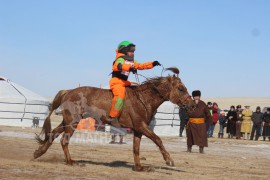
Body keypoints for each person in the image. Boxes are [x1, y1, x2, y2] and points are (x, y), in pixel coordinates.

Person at [101, 41, 161, 126]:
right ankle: (112, 117)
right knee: (120, 97)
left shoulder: (131, 61)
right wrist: (129, 68)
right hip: (117, 82)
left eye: (133, 51)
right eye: (130, 50)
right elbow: (116, 66)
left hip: (125, 82)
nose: (132, 52)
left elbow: (141, 66)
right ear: (124, 50)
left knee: (138, 89)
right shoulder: (120, 59)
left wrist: (152, 64)